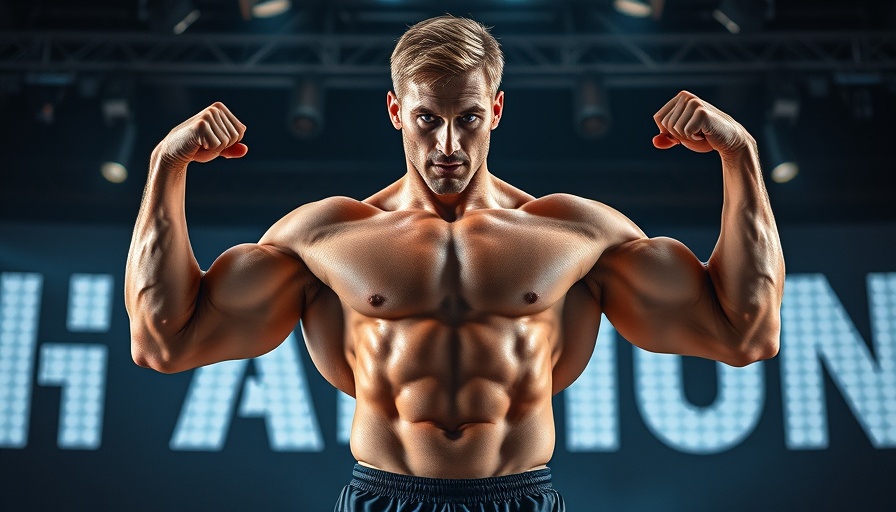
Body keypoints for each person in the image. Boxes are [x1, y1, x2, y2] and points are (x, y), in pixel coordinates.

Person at [125, 14, 785, 512]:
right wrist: (165, 166)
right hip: (384, 495)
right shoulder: (326, 236)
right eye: (426, 119)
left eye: (468, 118)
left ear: (495, 110)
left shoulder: (575, 233)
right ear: (395, 114)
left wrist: (742, 155)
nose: (447, 143)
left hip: (519, 495)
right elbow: (163, 341)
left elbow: (746, 331)